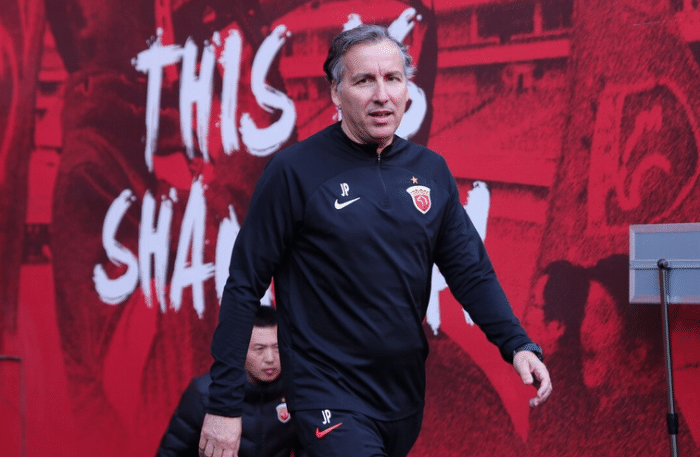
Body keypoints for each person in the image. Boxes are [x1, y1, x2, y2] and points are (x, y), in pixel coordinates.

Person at [200, 24, 552, 457]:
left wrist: (516, 344)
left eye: (393, 79)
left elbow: (470, 272)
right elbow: (243, 285)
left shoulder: (431, 171)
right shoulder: (293, 172)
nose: (381, 95)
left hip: (402, 399)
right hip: (326, 393)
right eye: (364, 80)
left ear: (407, 89)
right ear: (336, 92)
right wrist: (224, 404)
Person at [157, 306, 302, 457]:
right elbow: (171, 452)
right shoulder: (205, 393)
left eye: (277, 347)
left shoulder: (297, 388)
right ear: (240, 349)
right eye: (259, 349)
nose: (270, 358)